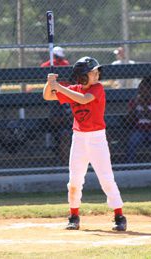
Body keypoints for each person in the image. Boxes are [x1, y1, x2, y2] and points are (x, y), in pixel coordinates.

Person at [43, 56, 127, 231]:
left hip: (97, 139)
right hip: (79, 139)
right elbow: (47, 96)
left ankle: (119, 216)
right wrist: (49, 82)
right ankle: (74, 216)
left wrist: (58, 87)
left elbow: (83, 99)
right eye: (92, 73)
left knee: (106, 178)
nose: (97, 75)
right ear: (81, 77)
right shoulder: (73, 89)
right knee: (74, 179)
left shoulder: (98, 89)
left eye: (97, 72)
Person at [126, 76, 151, 163]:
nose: (140, 89)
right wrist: (134, 107)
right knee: (131, 142)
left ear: (150, 90)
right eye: (140, 86)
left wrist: (145, 106)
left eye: (144, 88)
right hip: (139, 130)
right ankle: (130, 164)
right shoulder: (134, 101)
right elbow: (129, 120)